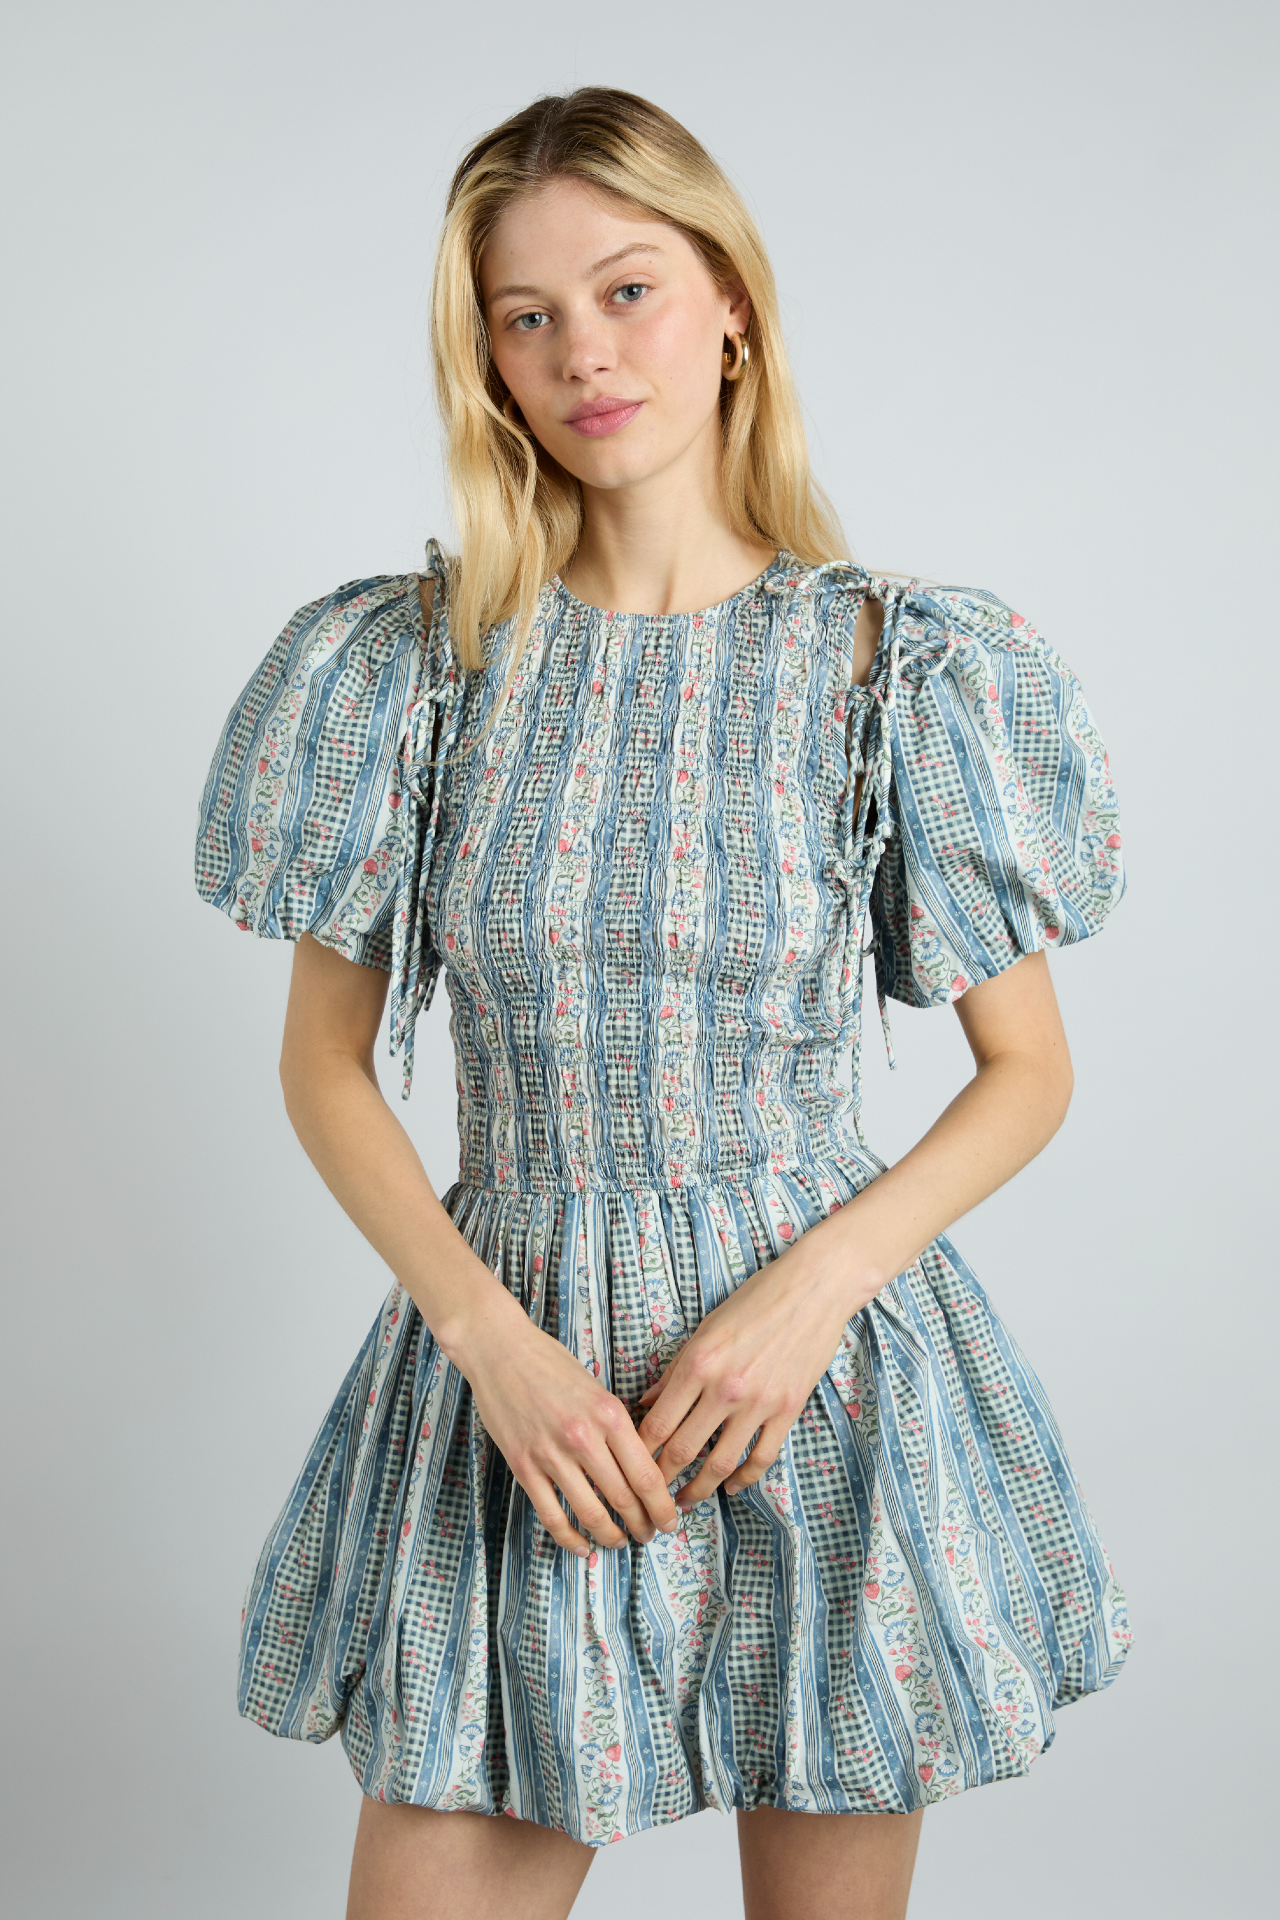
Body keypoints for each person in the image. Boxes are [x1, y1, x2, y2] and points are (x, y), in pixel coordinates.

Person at [194, 87, 1131, 1920]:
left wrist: (811, 1296)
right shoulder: (412, 664)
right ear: (488, 362)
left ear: (731, 311)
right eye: (526, 316)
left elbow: (1027, 1072)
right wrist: (490, 1343)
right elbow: (325, 1068)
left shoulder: (895, 667)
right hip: (521, 1391)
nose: (583, 353)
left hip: (816, 1383)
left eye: (627, 290)